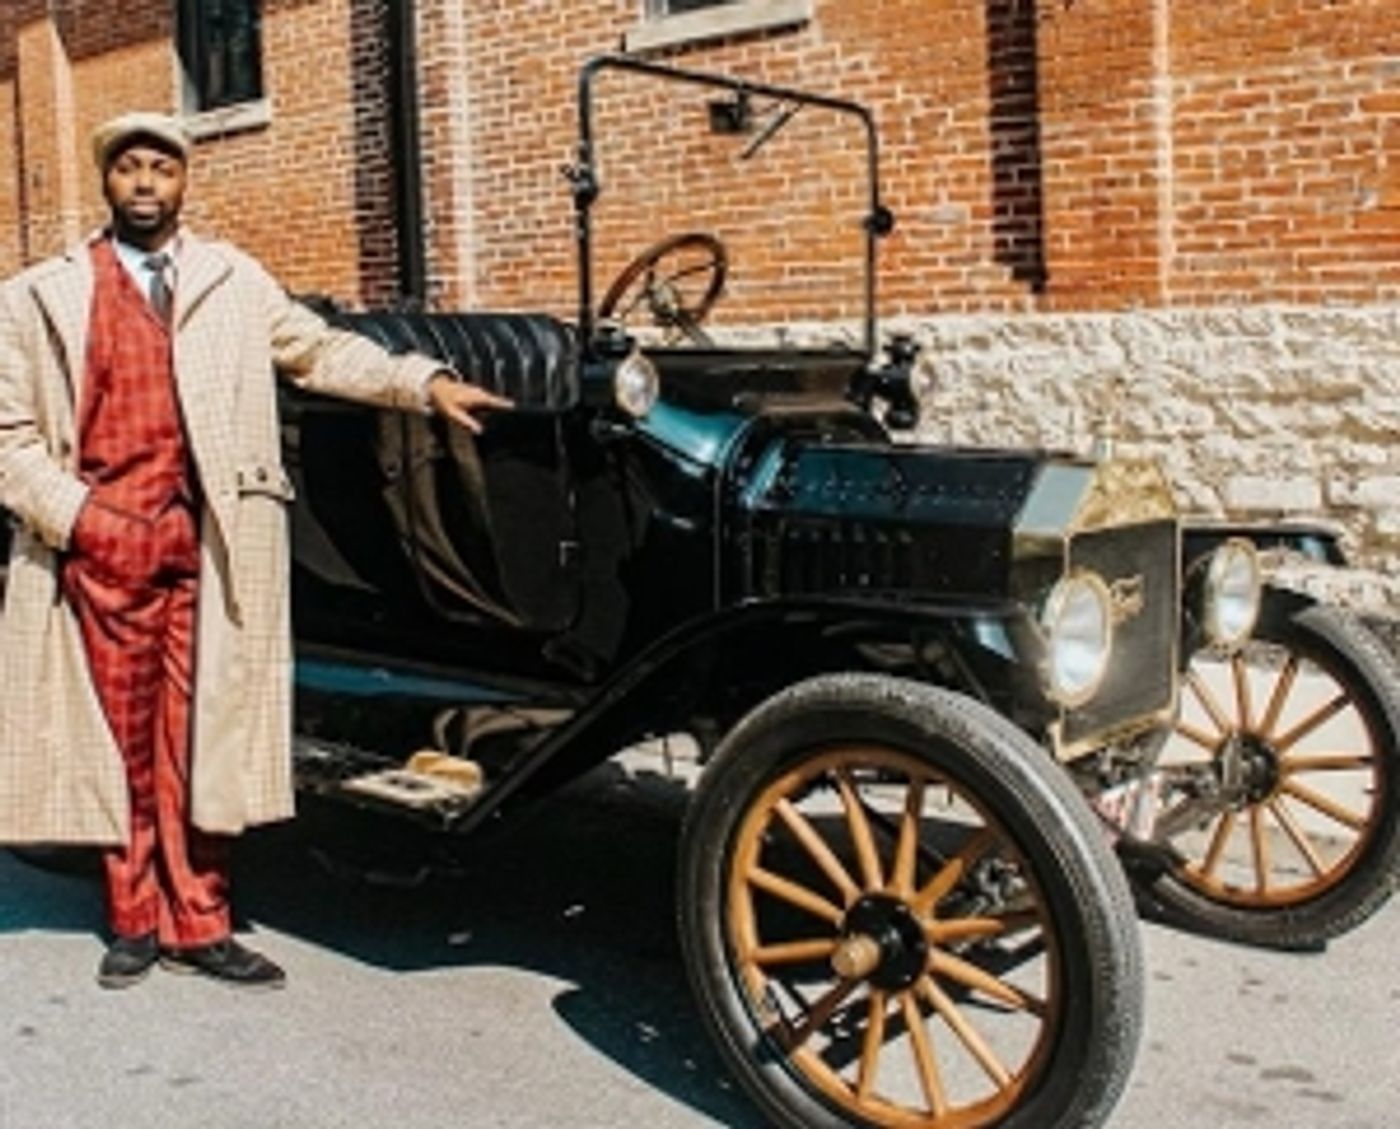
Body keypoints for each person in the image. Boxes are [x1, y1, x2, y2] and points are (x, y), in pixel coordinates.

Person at [0, 112, 510, 990]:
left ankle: (201, 919)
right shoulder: (38, 296)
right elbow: (9, 438)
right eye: (130, 169)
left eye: (162, 166)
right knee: (116, 741)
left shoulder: (231, 279)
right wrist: (85, 523)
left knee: (205, 737)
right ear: (107, 183)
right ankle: (132, 917)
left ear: (184, 180)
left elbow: (316, 351)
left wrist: (419, 381)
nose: (147, 183)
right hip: (100, 548)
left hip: (214, 543)